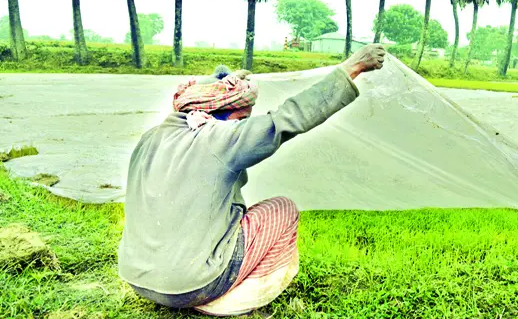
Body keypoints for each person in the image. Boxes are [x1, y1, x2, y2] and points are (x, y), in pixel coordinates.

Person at [118, 44, 386, 316]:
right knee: (283, 208)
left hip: (137, 277)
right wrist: (351, 68)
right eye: (241, 119)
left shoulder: (150, 138)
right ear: (211, 114)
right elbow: (286, 119)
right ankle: (228, 302)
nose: (243, 126)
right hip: (191, 285)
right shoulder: (218, 137)